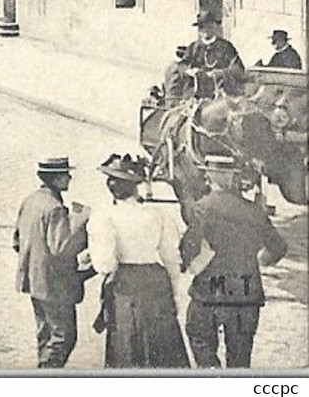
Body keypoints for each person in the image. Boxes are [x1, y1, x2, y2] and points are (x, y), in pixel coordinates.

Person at [179, 152, 289, 368]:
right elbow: (278, 247)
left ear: (209, 176)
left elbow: (188, 248)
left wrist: (190, 264)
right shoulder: (254, 212)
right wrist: (259, 260)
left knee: (200, 340)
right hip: (246, 294)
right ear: (233, 178)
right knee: (240, 359)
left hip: (209, 292)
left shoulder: (201, 208)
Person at [88, 154, 189, 367]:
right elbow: (171, 258)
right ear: (136, 186)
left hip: (126, 285)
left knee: (128, 345)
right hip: (156, 283)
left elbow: (104, 264)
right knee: (162, 347)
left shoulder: (104, 216)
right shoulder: (158, 214)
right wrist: (174, 294)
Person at [12, 156, 91, 368]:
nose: (70, 177)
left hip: (35, 282)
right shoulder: (55, 208)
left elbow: (17, 241)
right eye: (66, 175)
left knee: (46, 335)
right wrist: (79, 220)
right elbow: (62, 249)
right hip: (55, 286)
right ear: (56, 179)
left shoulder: (30, 200)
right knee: (63, 338)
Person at [180, 13, 245, 97]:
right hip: (197, 93)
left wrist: (221, 73)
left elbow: (238, 69)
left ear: (215, 27)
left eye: (209, 26)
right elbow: (182, 66)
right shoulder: (193, 48)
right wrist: (190, 71)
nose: (205, 30)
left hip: (221, 91)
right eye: (202, 27)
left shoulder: (225, 46)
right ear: (199, 31)